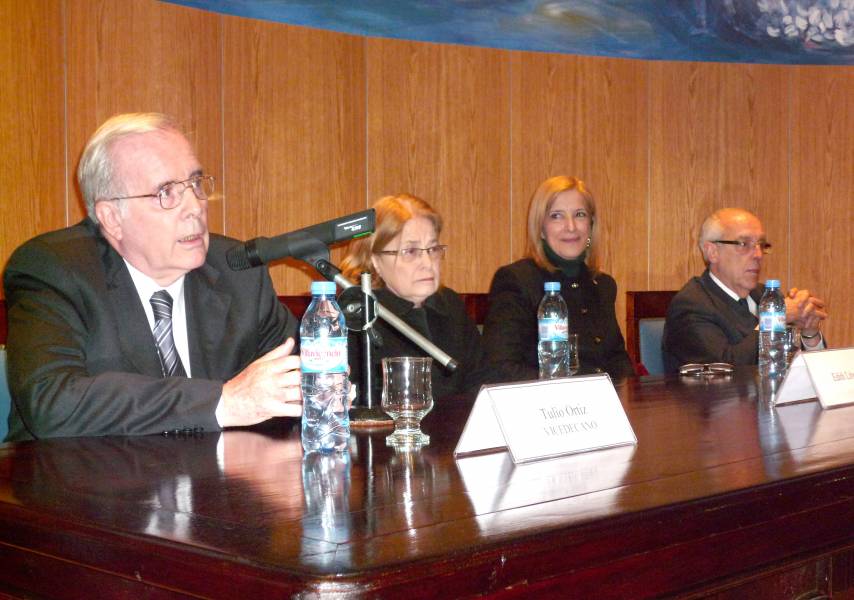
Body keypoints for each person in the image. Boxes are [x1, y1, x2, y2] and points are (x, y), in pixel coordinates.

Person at [3, 113, 302, 441]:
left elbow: (295, 385)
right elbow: (53, 402)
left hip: (212, 485)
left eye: (196, 184)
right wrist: (222, 402)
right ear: (112, 218)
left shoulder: (238, 270)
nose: (195, 207)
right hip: (78, 486)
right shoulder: (55, 269)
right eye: (166, 192)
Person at [482, 176, 635, 381]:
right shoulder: (516, 280)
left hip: (601, 405)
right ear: (541, 228)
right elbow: (500, 367)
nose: (571, 227)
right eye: (556, 216)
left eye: (579, 215)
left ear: (591, 225)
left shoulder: (603, 284)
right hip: (544, 406)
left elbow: (617, 360)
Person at [340, 194, 488, 401]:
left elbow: (481, 382)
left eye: (433, 249)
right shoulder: (355, 318)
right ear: (376, 261)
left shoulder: (450, 305)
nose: (428, 263)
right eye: (410, 251)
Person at [662, 207, 827, 372]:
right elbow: (722, 371)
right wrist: (774, 319)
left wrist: (809, 332)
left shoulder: (765, 295)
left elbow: (796, 368)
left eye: (761, 245)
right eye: (743, 244)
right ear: (712, 252)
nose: (758, 254)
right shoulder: (692, 304)